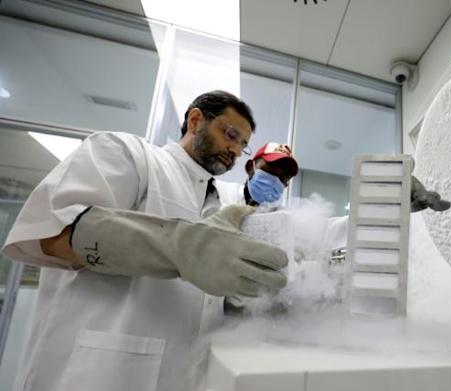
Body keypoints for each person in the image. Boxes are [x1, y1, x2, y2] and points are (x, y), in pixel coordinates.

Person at [1, 90, 289, 391]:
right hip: (98, 372)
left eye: (242, 146)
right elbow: (53, 233)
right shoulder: (127, 153)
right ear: (195, 120)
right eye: (230, 134)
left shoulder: (225, 200)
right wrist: (178, 247)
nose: (234, 149)